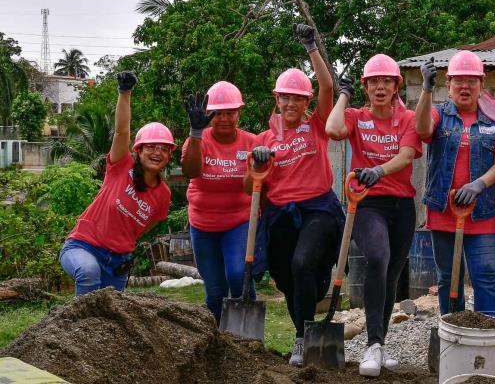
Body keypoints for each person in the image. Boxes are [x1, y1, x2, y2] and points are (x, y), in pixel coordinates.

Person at [246, 24, 343, 367]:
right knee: (287, 279)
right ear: (277, 99)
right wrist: (254, 165)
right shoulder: (264, 139)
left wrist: (311, 46)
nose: (290, 103)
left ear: (305, 102)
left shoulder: (315, 124)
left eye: (297, 98)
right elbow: (251, 187)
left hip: (318, 209)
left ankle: (302, 339)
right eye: (285, 97)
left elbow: (328, 86)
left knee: (304, 264)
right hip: (279, 215)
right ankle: (303, 330)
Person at [325, 54, 422, 377]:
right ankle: (373, 343)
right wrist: (343, 95)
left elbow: (407, 156)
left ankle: (380, 344)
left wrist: (377, 169)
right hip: (367, 204)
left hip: (402, 205)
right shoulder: (356, 116)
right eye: (373, 82)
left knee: (392, 273)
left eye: (386, 82)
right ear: (365, 87)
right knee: (378, 258)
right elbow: (333, 128)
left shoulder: (407, 118)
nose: (380, 87)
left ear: (396, 87)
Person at [60, 71, 175, 295]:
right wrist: (125, 93)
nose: (157, 152)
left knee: (112, 315)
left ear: (169, 155)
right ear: (139, 150)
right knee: (88, 272)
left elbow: (149, 224)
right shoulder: (122, 166)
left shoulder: (163, 194)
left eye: (163, 148)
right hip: (83, 247)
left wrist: (125, 239)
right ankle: (81, 327)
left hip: (119, 262)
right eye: (151, 147)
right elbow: (121, 132)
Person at [414, 50, 495, 314]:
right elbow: (422, 130)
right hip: (444, 212)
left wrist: (479, 184)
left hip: (481, 215)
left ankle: (489, 336)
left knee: (487, 278)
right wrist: (425, 89)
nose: (465, 86)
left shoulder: (494, 118)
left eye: (471, 80)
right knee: (449, 279)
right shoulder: (438, 114)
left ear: (481, 84)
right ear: (448, 83)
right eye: (458, 80)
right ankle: (454, 334)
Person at [181, 81, 257, 323]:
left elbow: (252, 186)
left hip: (238, 221)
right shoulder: (198, 139)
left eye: (230, 113)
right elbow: (191, 171)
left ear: (238, 113)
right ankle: (218, 341)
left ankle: (247, 335)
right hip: (203, 225)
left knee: (237, 275)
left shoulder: (250, 143)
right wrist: (195, 134)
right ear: (208, 114)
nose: (224, 118)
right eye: (218, 113)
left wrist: (258, 164)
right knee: (214, 292)